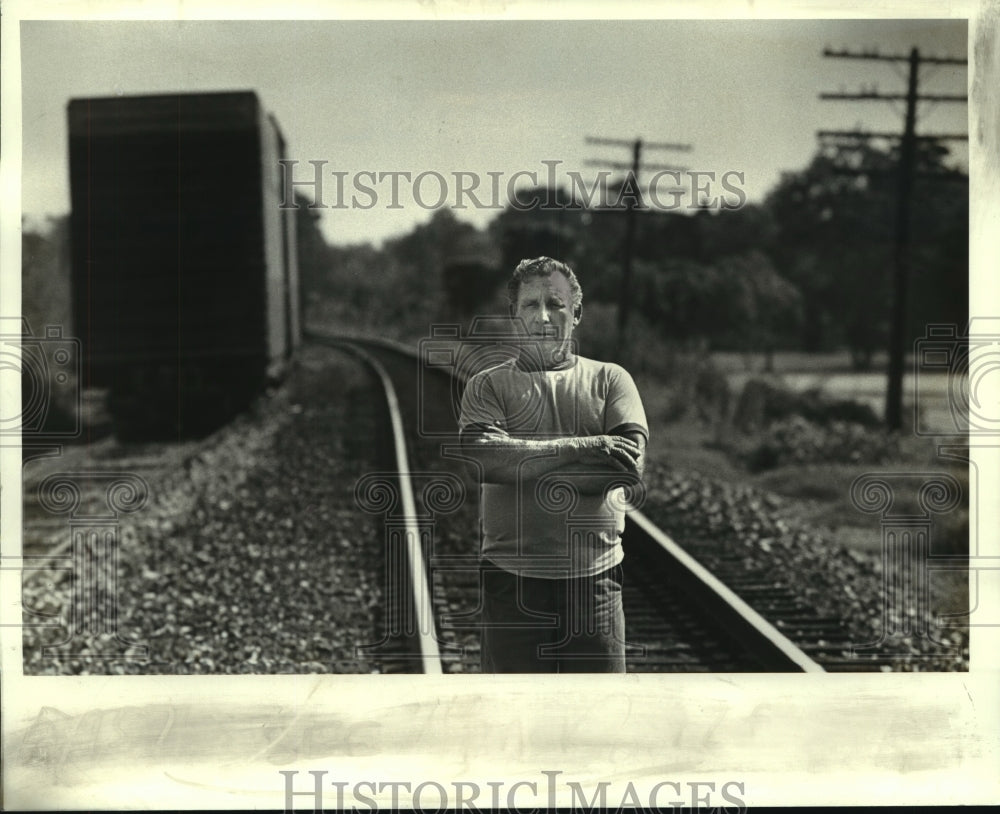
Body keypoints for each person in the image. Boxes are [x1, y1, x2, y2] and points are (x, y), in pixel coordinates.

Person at [458, 256, 648, 673]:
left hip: (594, 583)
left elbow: (626, 468)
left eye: (556, 304)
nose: (543, 316)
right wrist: (584, 446)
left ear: (576, 313)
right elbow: (484, 461)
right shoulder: (487, 384)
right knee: (514, 721)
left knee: (597, 720)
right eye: (530, 305)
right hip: (511, 581)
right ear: (514, 315)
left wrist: (521, 464)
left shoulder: (612, 380)